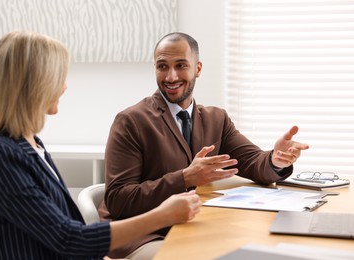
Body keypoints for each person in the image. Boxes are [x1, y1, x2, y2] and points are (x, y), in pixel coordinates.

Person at [0, 31, 201, 260]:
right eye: (59, 76)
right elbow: (68, 239)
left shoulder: (31, 146)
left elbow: (63, 232)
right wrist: (161, 215)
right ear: (32, 84)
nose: (64, 87)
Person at [100, 32, 310, 258]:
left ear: (197, 68)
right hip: (144, 234)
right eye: (162, 67)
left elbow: (253, 162)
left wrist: (274, 159)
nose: (171, 77)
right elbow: (118, 200)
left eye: (181, 65)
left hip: (193, 225)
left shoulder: (216, 120)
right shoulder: (131, 121)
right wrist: (185, 178)